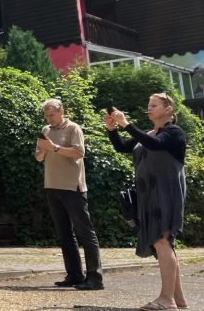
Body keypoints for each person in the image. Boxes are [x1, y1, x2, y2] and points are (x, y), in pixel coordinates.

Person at [106, 93, 188, 310]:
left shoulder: (174, 132)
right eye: (148, 105)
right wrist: (112, 129)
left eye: (154, 105)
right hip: (148, 194)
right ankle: (178, 299)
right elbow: (123, 147)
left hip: (165, 192)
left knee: (162, 240)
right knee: (161, 243)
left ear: (168, 109)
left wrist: (126, 123)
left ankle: (166, 299)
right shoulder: (150, 132)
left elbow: (154, 144)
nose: (149, 108)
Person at [35, 98, 104, 290]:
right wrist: (42, 149)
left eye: (52, 114)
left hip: (73, 187)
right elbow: (39, 157)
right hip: (52, 186)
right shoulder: (46, 131)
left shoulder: (74, 128)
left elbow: (79, 153)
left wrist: (54, 148)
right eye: (46, 115)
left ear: (61, 111)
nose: (49, 118)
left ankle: (95, 278)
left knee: (85, 232)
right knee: (64, 233)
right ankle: (74, 274)